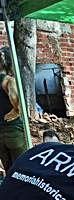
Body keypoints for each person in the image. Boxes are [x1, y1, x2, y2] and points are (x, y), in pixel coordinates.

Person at [0, 46, 27, 174]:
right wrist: (16, 112)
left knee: (9, 171)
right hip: (14, 131)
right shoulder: (9, 81)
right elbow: (17, 103)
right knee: (23, 170)